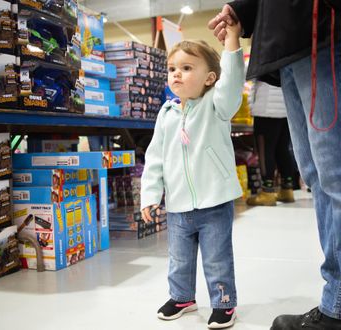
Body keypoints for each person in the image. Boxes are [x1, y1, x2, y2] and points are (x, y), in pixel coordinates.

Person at [209, 1, 341, 329]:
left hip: (328, 21)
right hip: (290, 33)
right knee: (320, 175)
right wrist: (245, 8)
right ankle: (339, 306)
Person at [141, 21, 244, 329]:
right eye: (172, 68)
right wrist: (149, 196)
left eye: (187, 68)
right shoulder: (167, 114)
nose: (176, 74)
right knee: (179, 259)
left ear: (210, 78)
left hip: (214, 203)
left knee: (216, 259)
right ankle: (182, 296)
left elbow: (232, 83)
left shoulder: (217, 105)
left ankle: (224, 303)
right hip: (178, 206)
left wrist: (232, 43)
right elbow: (154, 158)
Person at [246, 81, 295, 206]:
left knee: (265, 150)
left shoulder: (264, 62)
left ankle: (267, 192)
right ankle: (287, 189)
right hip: (286, 108)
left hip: (266, 108)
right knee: (283, 149)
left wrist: (251, 106)